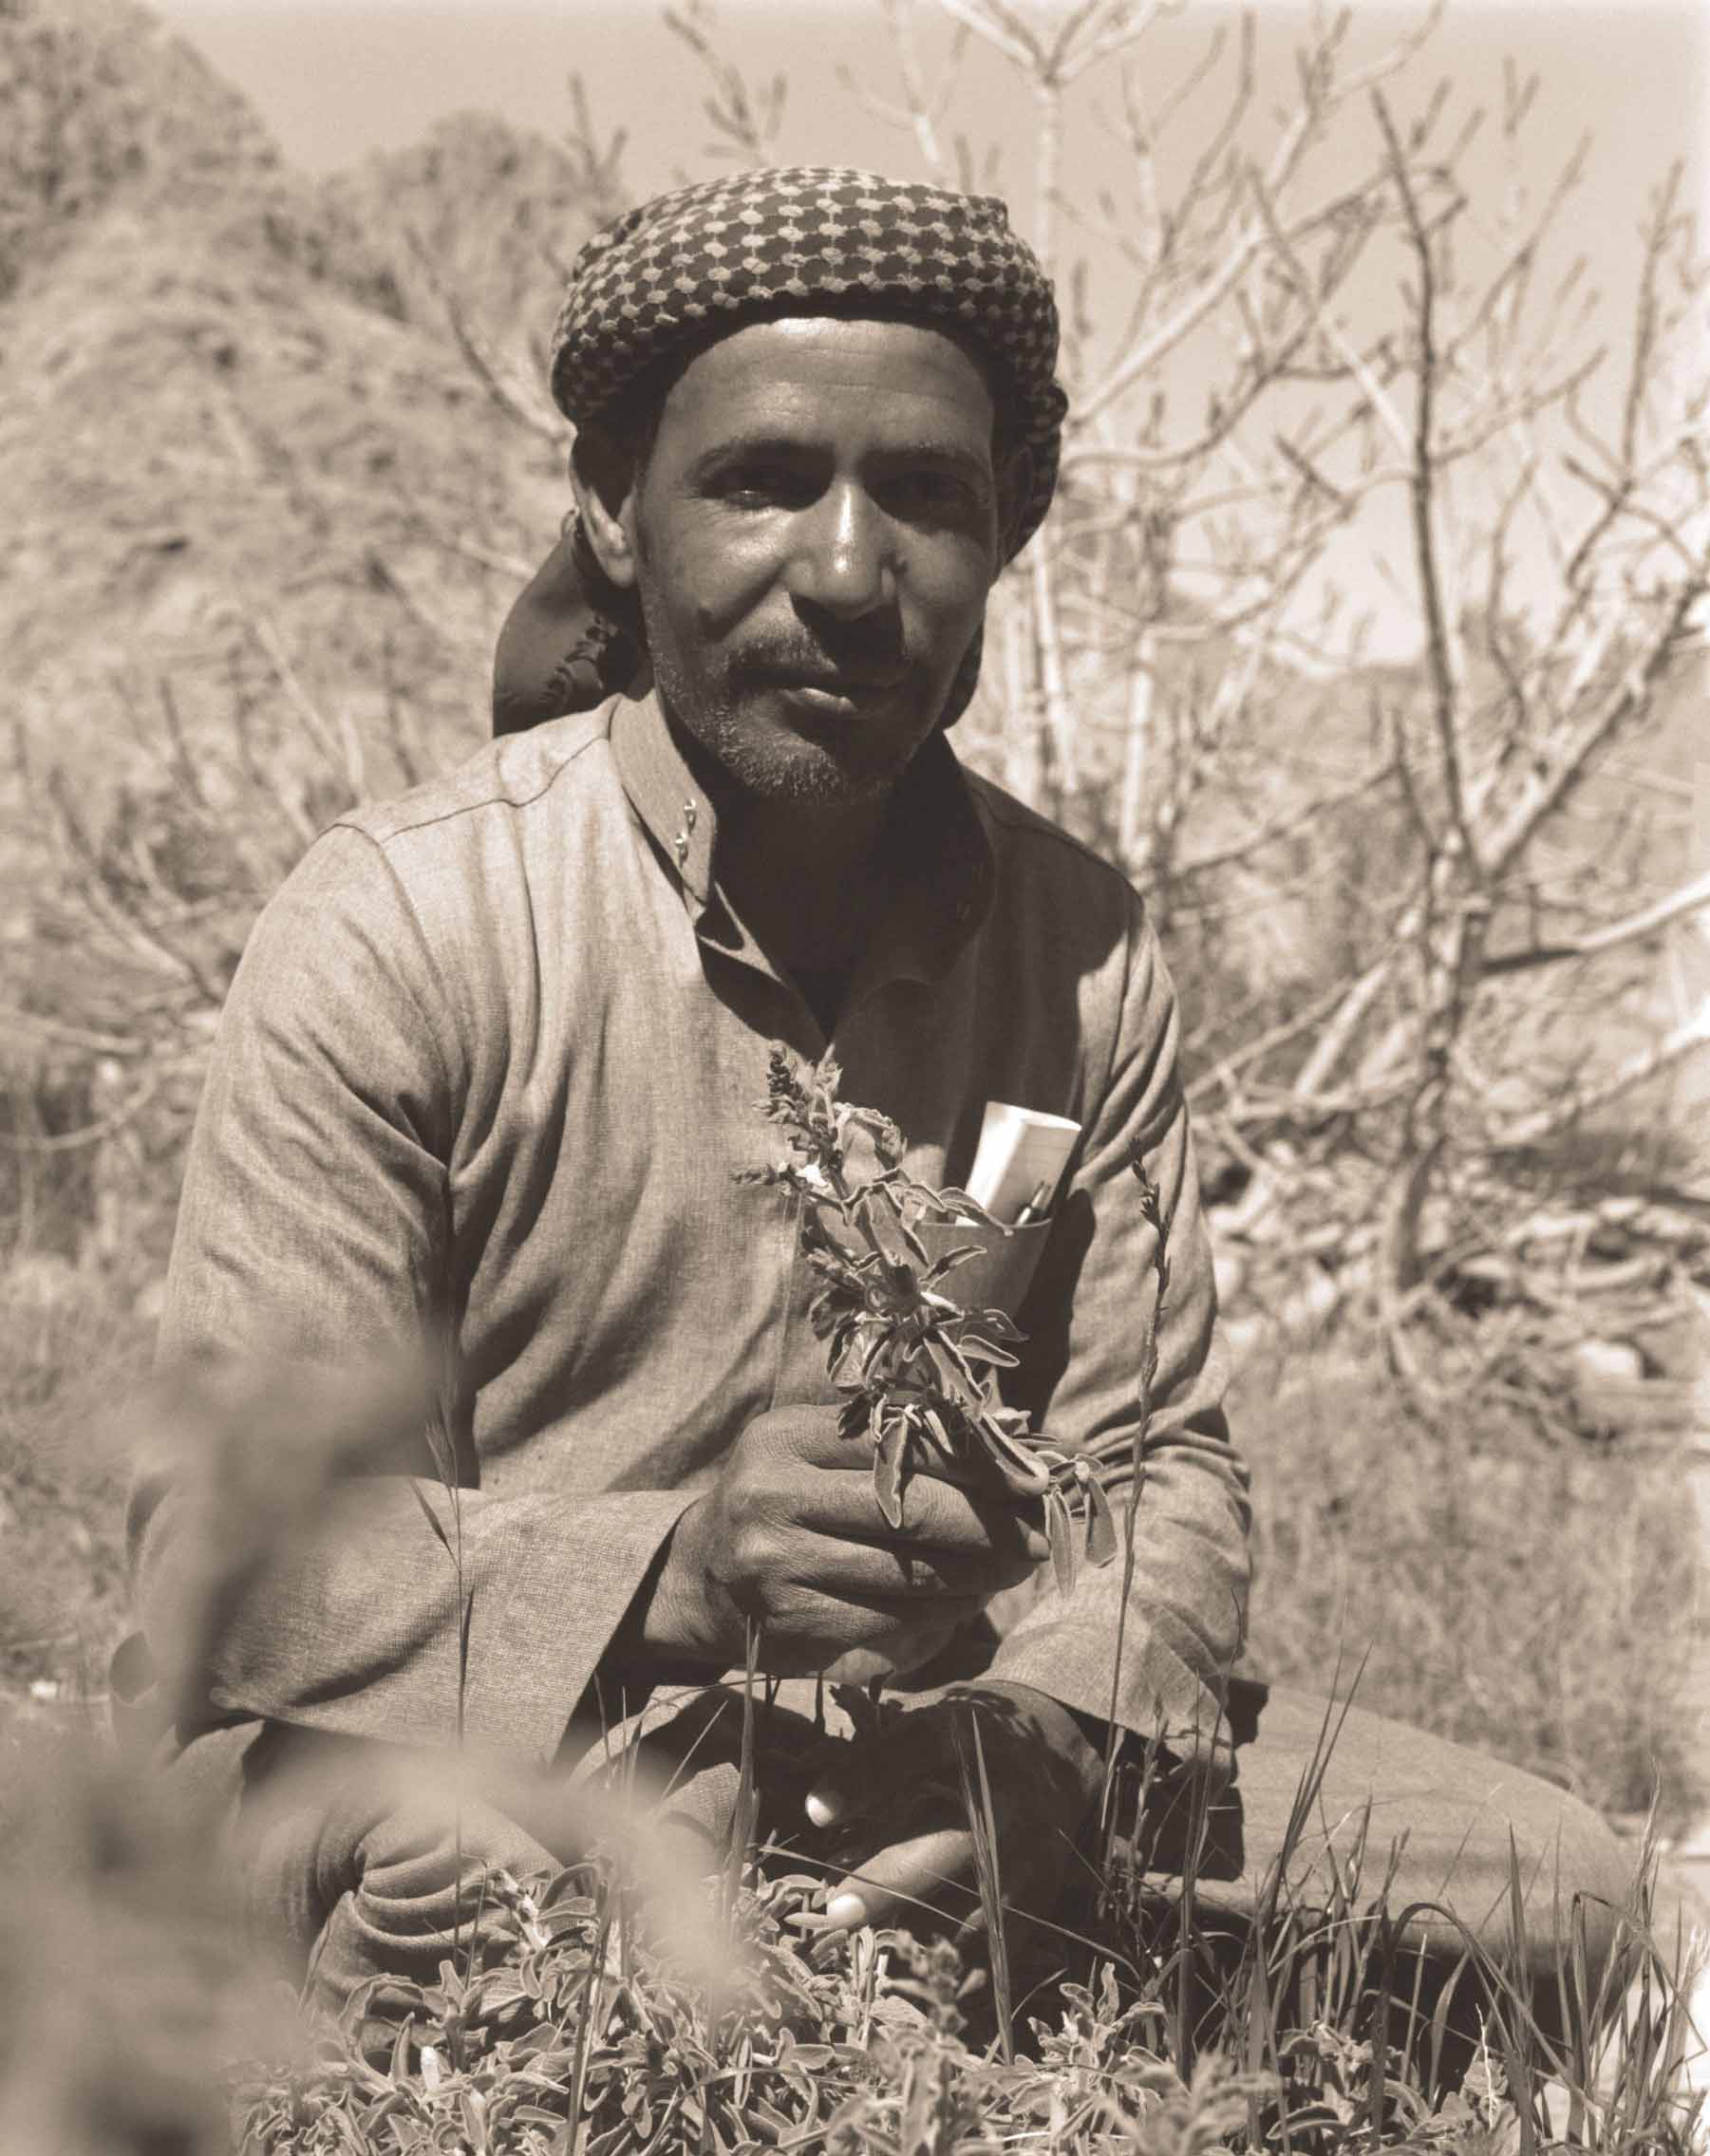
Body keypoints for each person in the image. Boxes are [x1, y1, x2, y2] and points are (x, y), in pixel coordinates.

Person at [120, 167, 1630, 2051]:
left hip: (927, 1761)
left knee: (1559, 1889)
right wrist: (668, 1572)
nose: (847, 572)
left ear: (1000, 540)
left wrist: (1044, 1740)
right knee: (423, 1888)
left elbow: (1156, 1454)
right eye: (761, 483)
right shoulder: (409, 919)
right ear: (614, 510)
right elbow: (235, 1555)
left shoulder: (1081, 953)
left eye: (924, 495)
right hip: (505, 1753)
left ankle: (908, 1961)